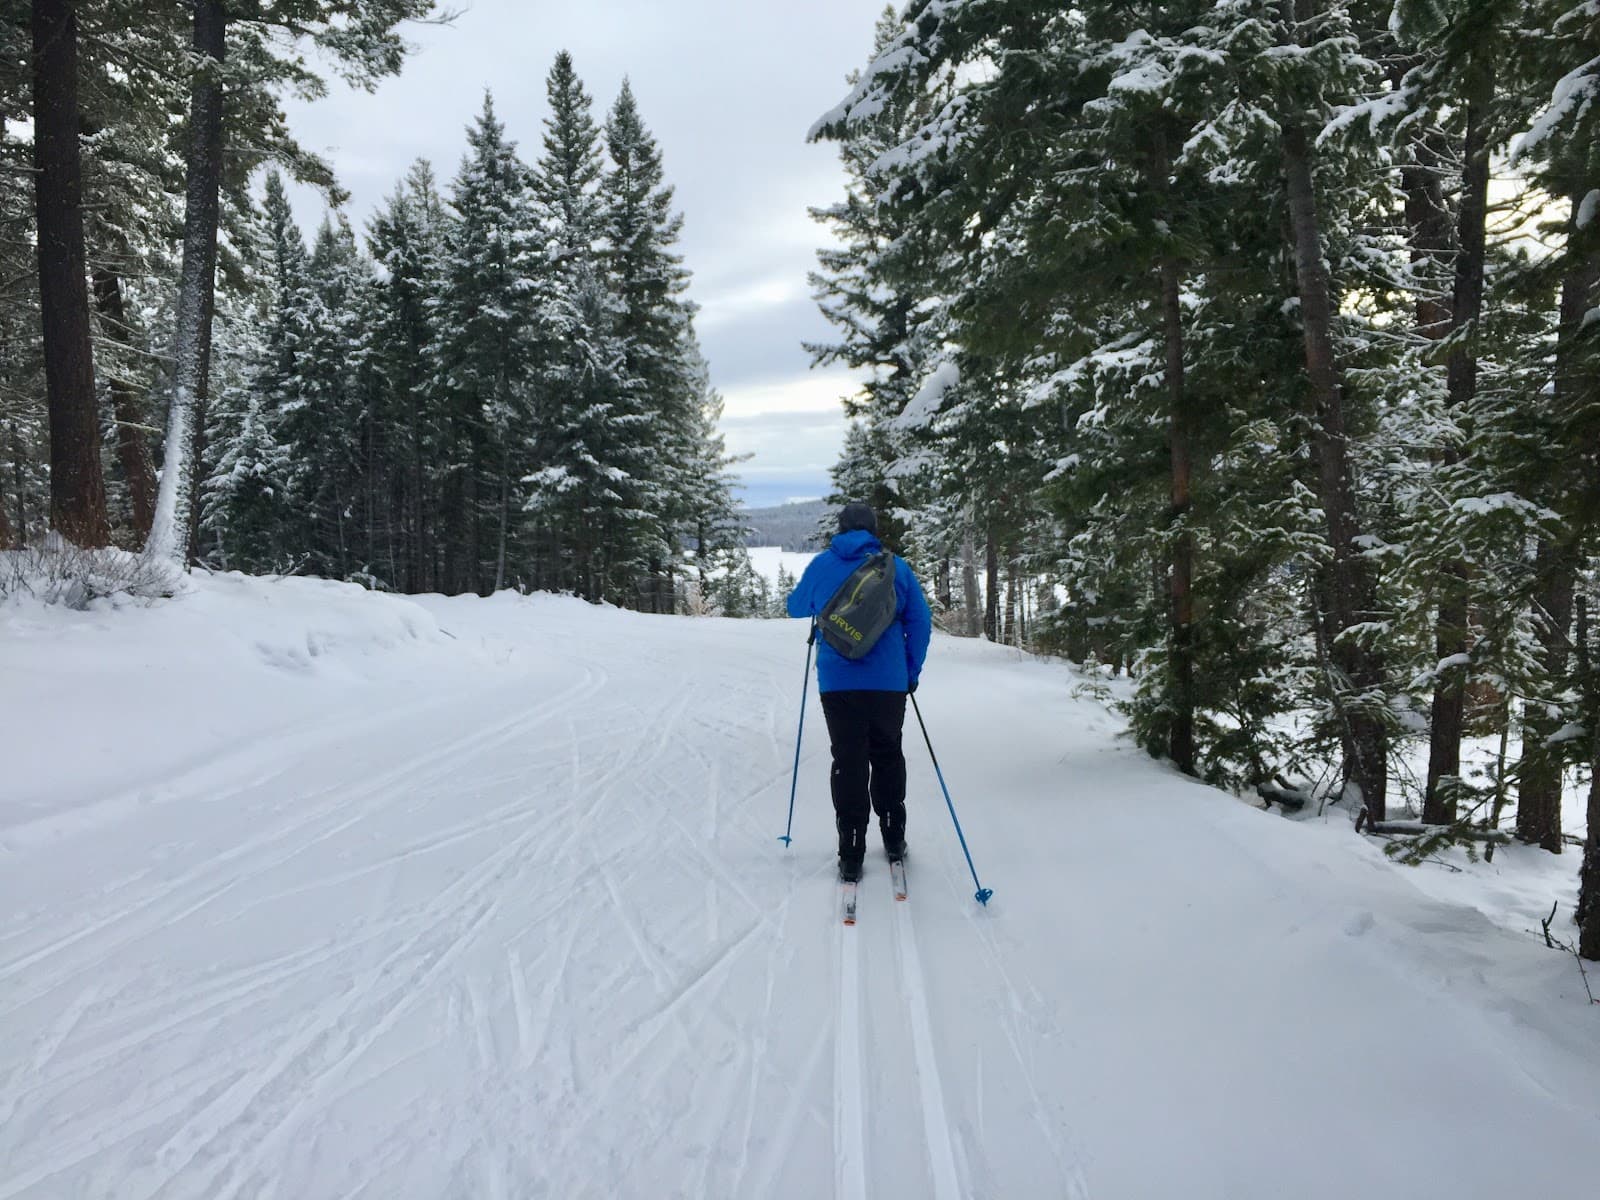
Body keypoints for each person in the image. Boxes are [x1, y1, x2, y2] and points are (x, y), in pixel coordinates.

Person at [786, 502, 932, 882]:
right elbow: (920, 621)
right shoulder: (896, 568)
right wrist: (910, 671)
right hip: (888, 683)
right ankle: (894, 836)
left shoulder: (822, 565)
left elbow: (795, 606)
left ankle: (851, 850)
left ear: (841, 528)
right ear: (873, 529)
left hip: (838, 684)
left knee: (848, 760)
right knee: (887, 753)